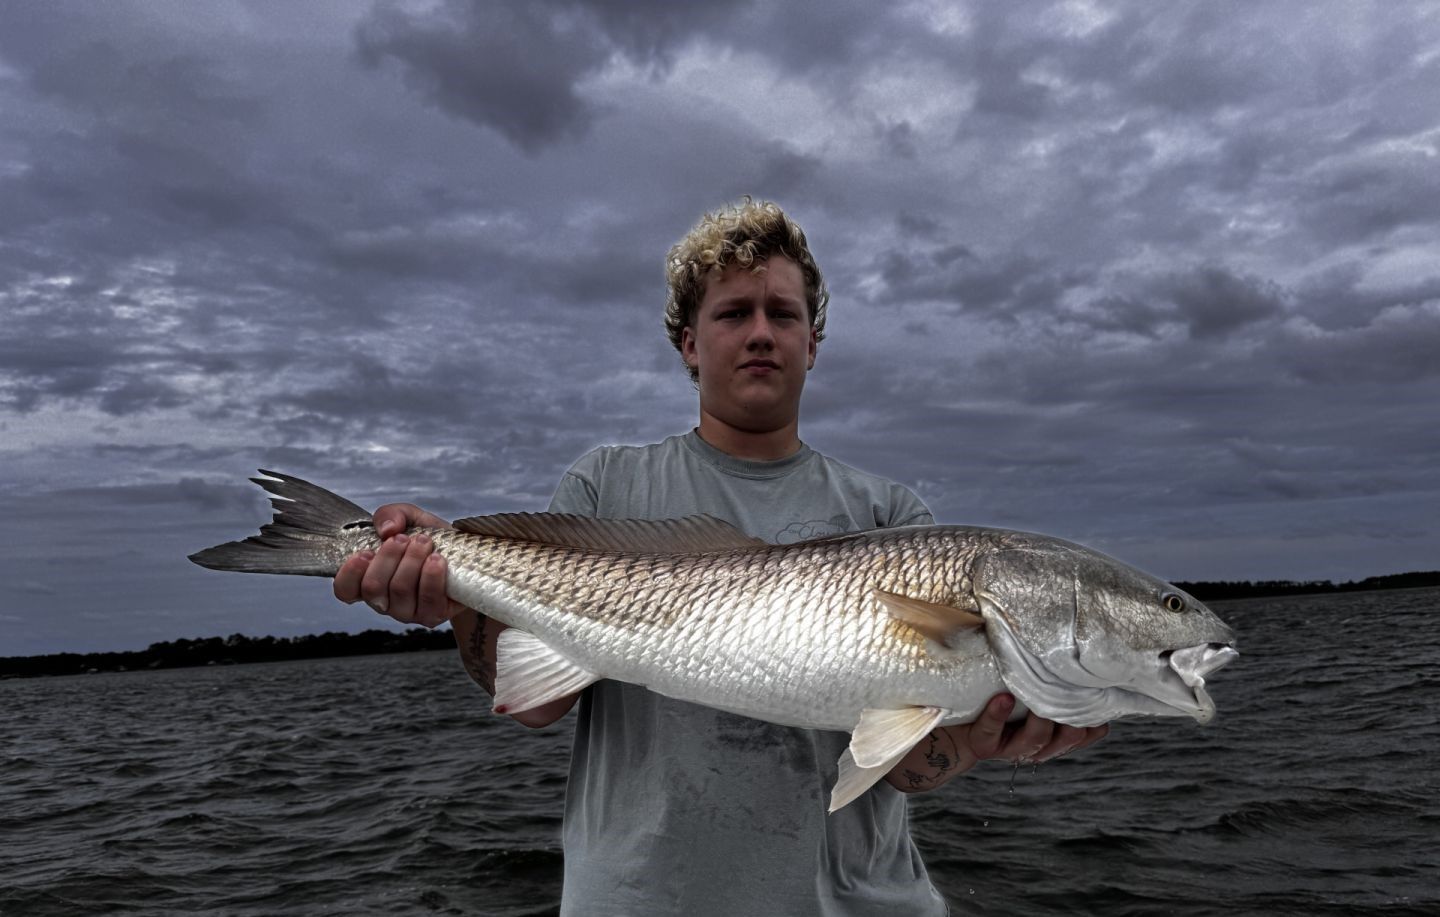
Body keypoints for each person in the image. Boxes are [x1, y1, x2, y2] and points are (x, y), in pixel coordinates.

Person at [332, 199, 1107, 914]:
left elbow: (903, 764)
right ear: (689, 345)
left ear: (813, 342)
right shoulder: (605, 484)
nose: (761, 332)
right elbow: (534, 699)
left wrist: (971, 740)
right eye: (734, 312)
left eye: (783, 313)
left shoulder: (894, 519)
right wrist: (456, 590)